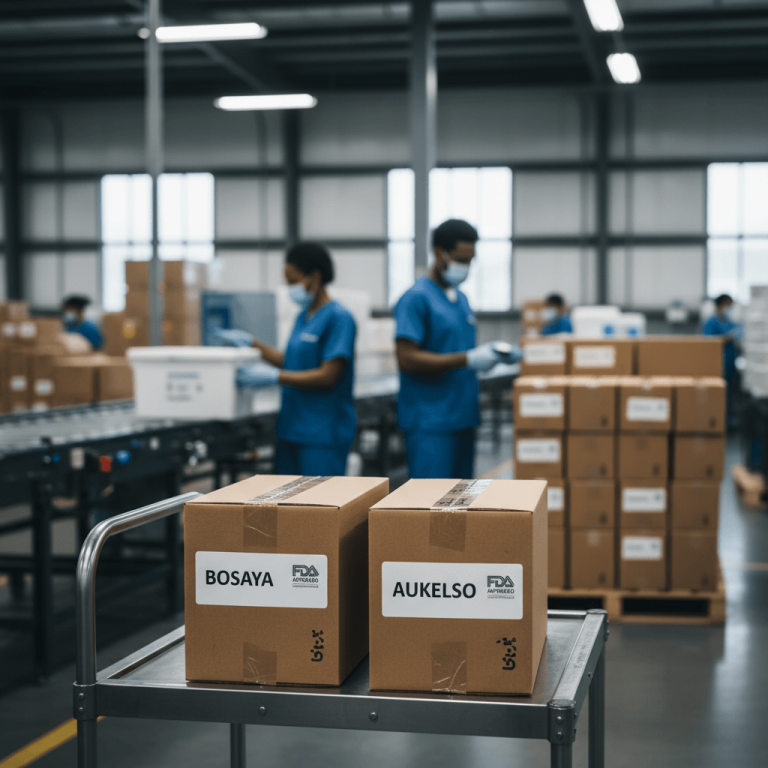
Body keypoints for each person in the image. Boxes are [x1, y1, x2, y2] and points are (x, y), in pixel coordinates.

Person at [216, 242, 356, 476]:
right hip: (291, 429)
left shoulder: (339, 318)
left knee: (318, 507)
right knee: (288, 504)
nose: (290, 289)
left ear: (314, 277)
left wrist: (275, 377)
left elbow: (328, 376)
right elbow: (290, 360)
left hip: (322, 434)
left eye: (293, 282)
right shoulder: (303, 316)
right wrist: (252, 343)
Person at [395, 218, 519, 480]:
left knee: (458, 505)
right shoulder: (415, 298)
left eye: (471, 260)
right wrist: (467, 359)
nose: (467, 267)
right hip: (430, 421)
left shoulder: (460, 299)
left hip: (463, 416)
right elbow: (406, 358)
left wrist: (492, 353)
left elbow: (456, 347)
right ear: (440, 253)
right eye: (462, 259)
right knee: (430, 506)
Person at [703, 293, 742, 385]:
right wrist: (728, 337)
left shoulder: (729, 322)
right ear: (720, 305)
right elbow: (710, 342)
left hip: (730, 361)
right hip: (717, 362)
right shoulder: (710, 322)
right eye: (729, 306)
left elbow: (738, 332)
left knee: (729, 387)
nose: (730, 309)